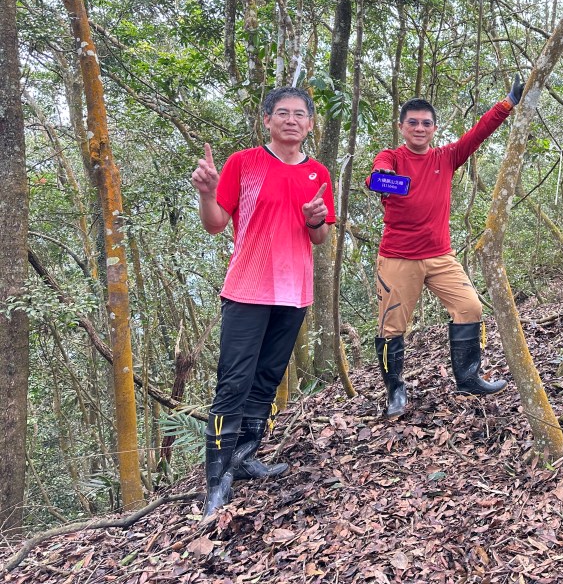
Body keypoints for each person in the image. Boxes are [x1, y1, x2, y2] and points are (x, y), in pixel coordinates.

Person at [190, 86, 335, 520]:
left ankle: (244, 458)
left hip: (294, 293)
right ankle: (216, 479)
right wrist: (207, 193)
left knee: (267, 380)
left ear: (310, 124)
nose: (291, 120)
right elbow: (216, 224)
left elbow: (320, 237)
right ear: (267, 120)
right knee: (233, 382)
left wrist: (315, 220)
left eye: (300, 114)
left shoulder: (318, 173)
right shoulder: (244, 162)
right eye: (282, 113)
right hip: (247, 290)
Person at [367, 78, 524, 418]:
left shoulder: (447, 156)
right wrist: (391, 183)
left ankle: (468, 378)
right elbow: (377, 176)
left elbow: (478, 133)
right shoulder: (392, 156)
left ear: (434, 128)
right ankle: (395, 390)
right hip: (398, 257)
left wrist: (508, 102)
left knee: (470, 307)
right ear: (402, 127)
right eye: (413, 123)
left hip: (441, 256)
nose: (419, 128)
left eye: (426, 123)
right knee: (391, 327)